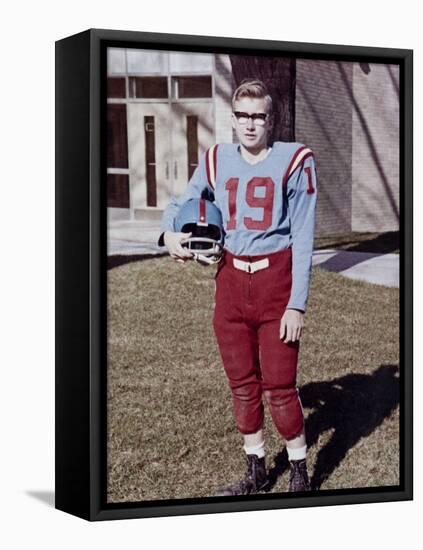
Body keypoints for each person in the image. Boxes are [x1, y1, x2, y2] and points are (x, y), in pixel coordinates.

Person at [158, 79, 317, 495]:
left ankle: (299, 471)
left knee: (279, 386)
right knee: (242, 384)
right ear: (233, 119)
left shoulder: (293, 159)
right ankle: (256, 469)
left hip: (275, 280)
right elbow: (183, 202)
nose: (250, 124)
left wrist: (296, 304)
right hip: (230, 281)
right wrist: (168, 233)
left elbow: (303, 235)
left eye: (258, 116)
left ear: (271, 118)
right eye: (243, 116)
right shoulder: (216, 158)